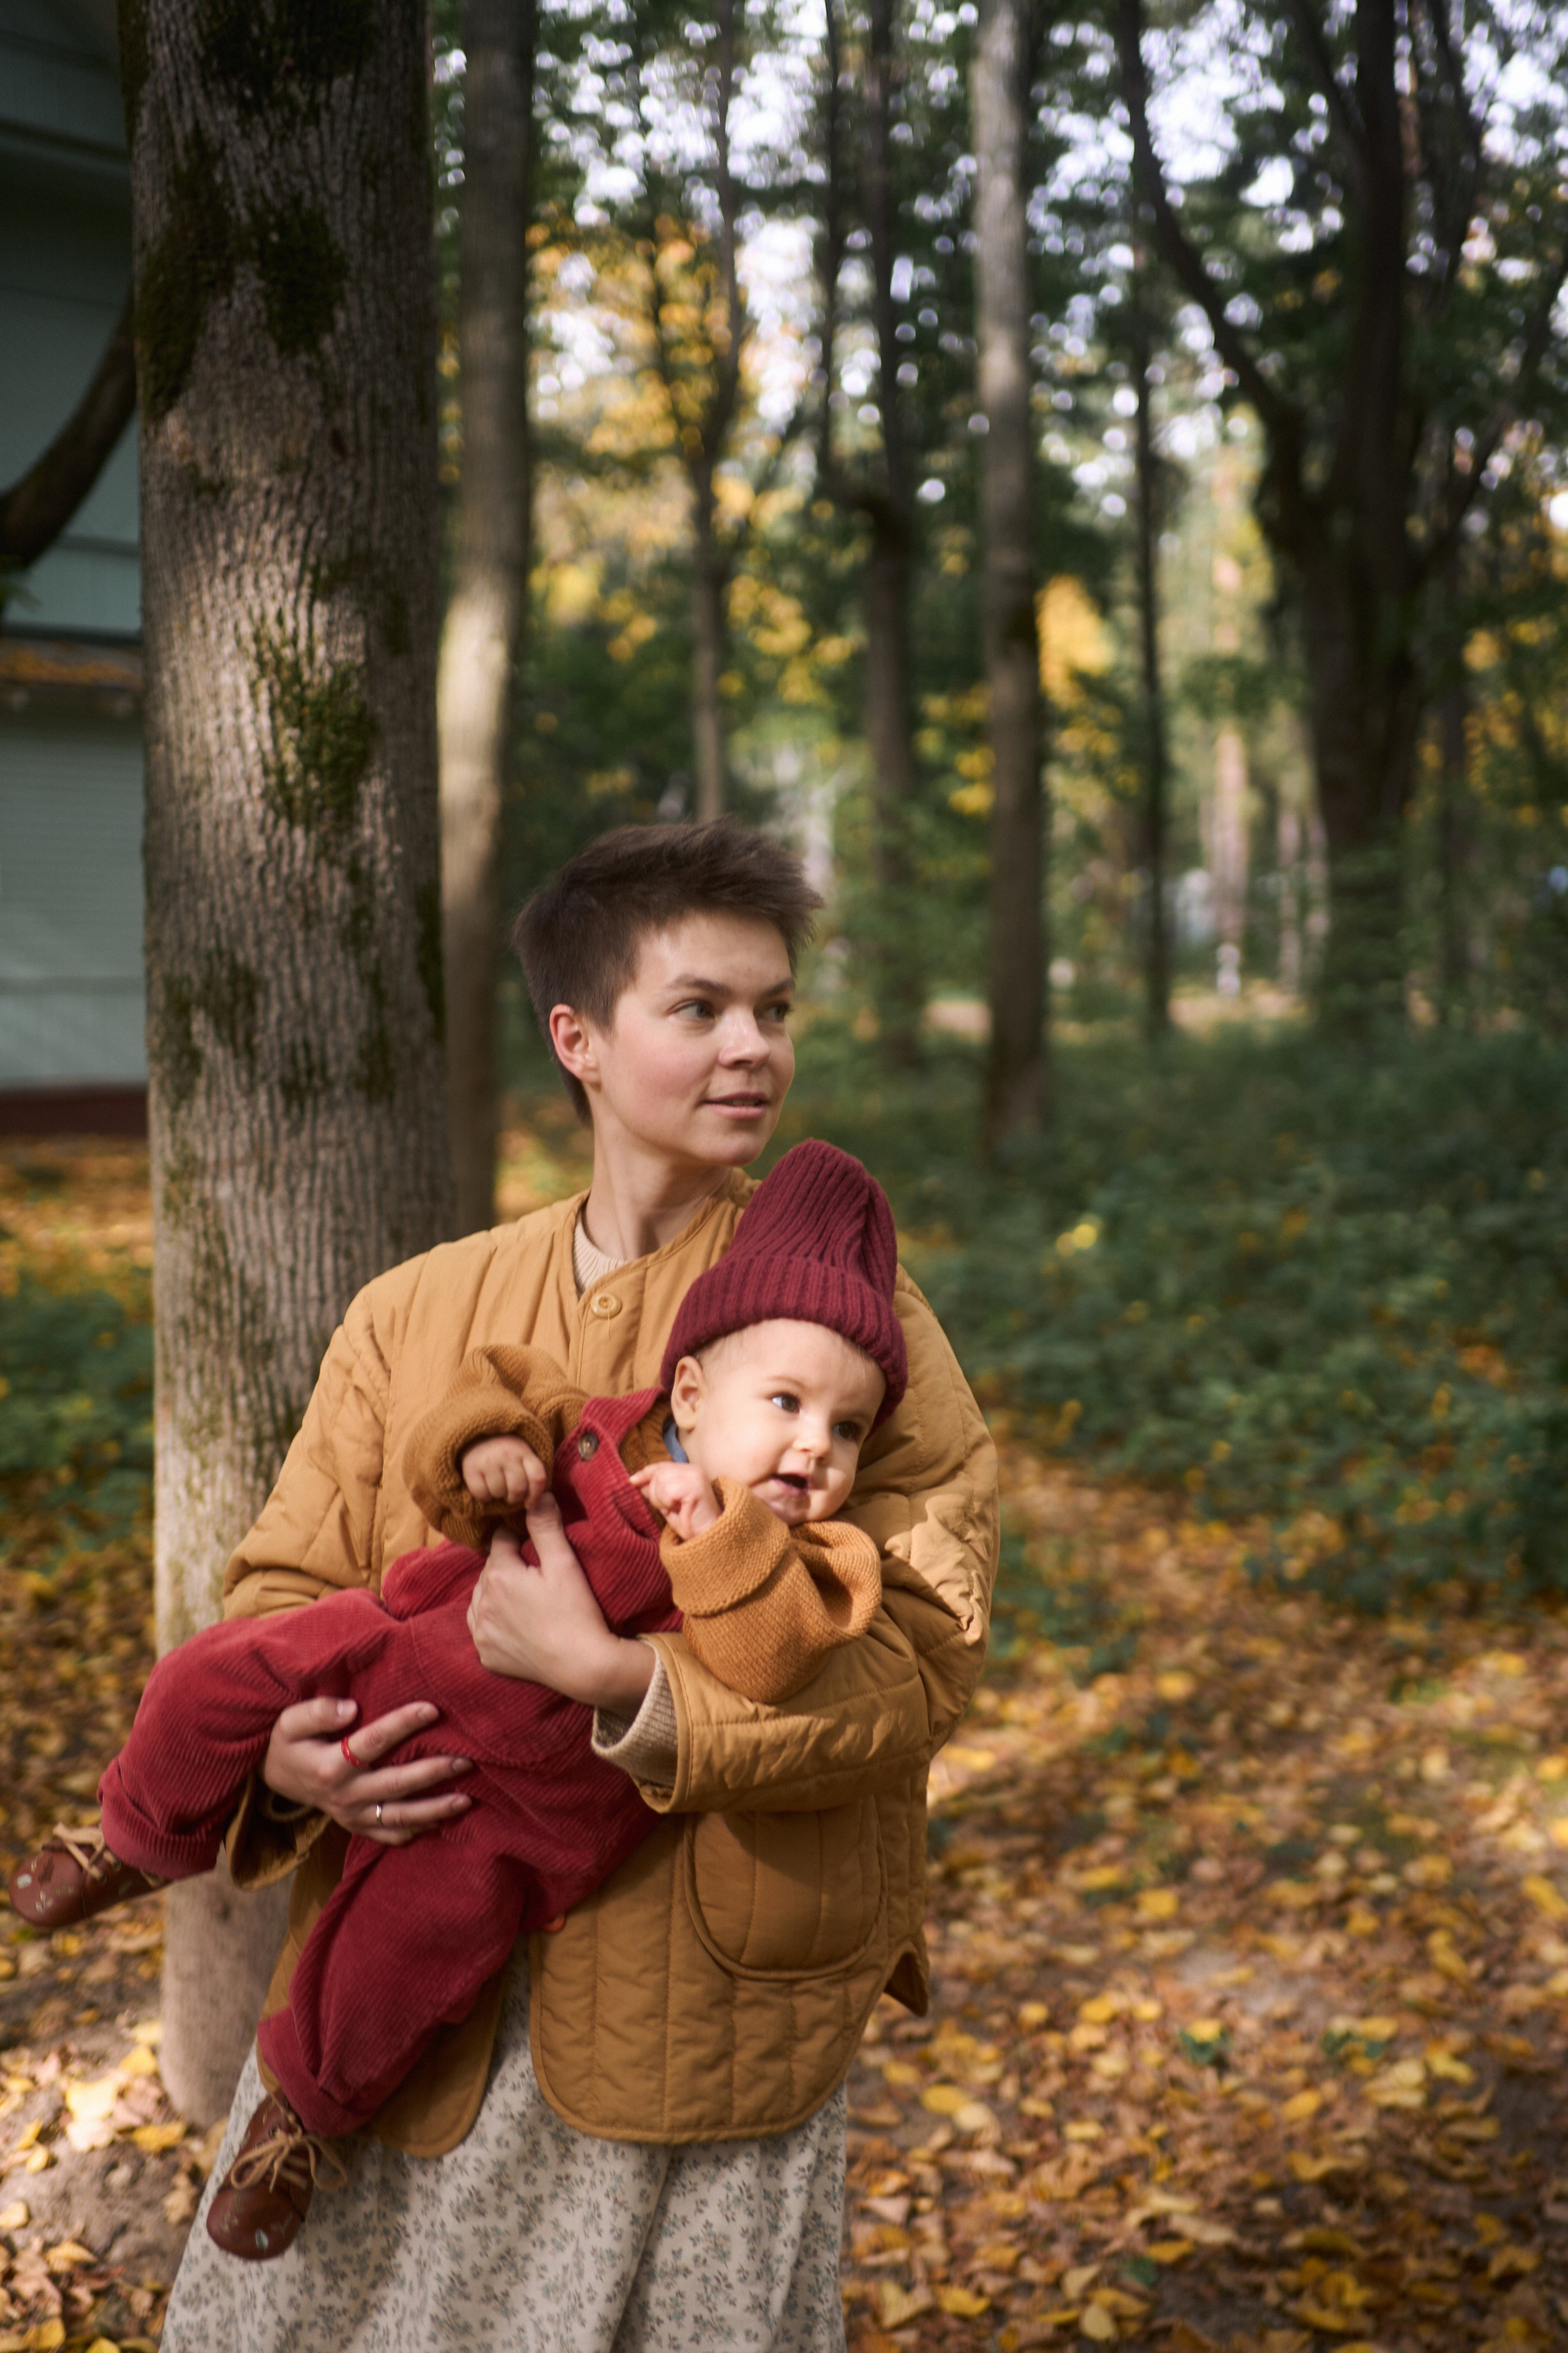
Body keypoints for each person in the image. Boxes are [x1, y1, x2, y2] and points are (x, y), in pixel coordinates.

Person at [156, 818, 998, 2352]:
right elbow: (283, 1586)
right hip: (398, 2013)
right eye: (701, 1007)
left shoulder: (855, 1334)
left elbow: (923, 1660)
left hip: (702, 2014)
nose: (753, 1046)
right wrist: (290, 1755)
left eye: (775, 1009)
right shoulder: (414, 1310)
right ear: (578, 1038)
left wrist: (629, 1686)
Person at [11, 1141, 902, 2267]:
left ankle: (300, 2120)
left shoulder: (811, 1557)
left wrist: (720, 1531)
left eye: (850, 1429)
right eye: (787, 1403)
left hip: (519, 1818)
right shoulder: (600, 1425)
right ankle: (140, 1833)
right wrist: (486, 1451)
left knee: (400, 1955)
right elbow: (487, 1401)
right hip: (401, 1655)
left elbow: (773, 1660)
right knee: (211, 1672)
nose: (816, 1445)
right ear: (690, 1391)